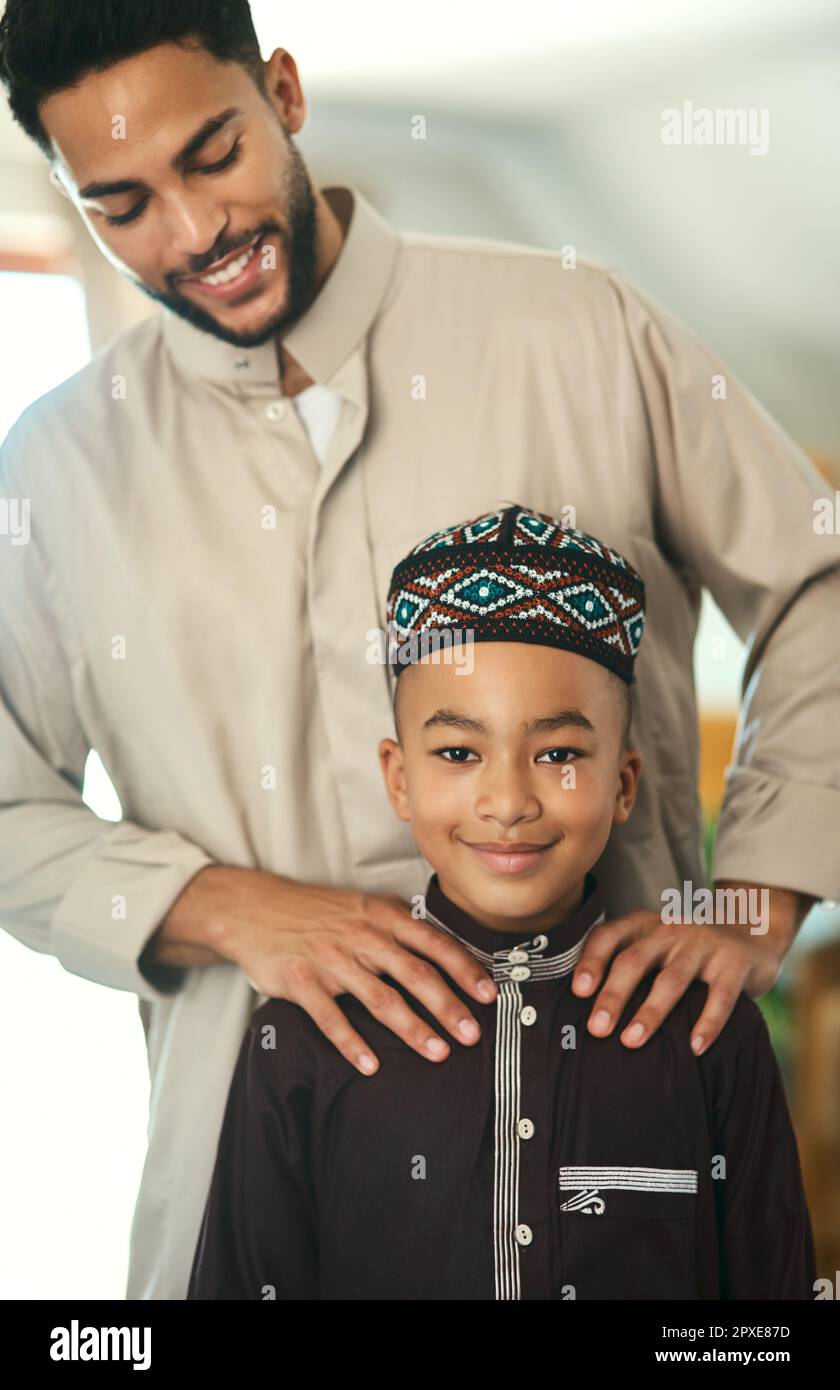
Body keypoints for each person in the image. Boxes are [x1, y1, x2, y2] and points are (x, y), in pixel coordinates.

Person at [0, 1, 835, 1300]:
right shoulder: (52, 473)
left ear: (282, 89)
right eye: (120, 206)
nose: (191, 230)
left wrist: (766, 889)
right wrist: (218, 903)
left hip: (631, 1192)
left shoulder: (581, 332)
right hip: (246, 1205)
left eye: (211, 154)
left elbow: (820, 581)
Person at [187, 505, 816, 1300]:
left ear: (624, 782)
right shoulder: (306, 1036)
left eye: (557, 753)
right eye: (458, 752)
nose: (509, 799)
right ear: (399, 778)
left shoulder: (708, 1032)